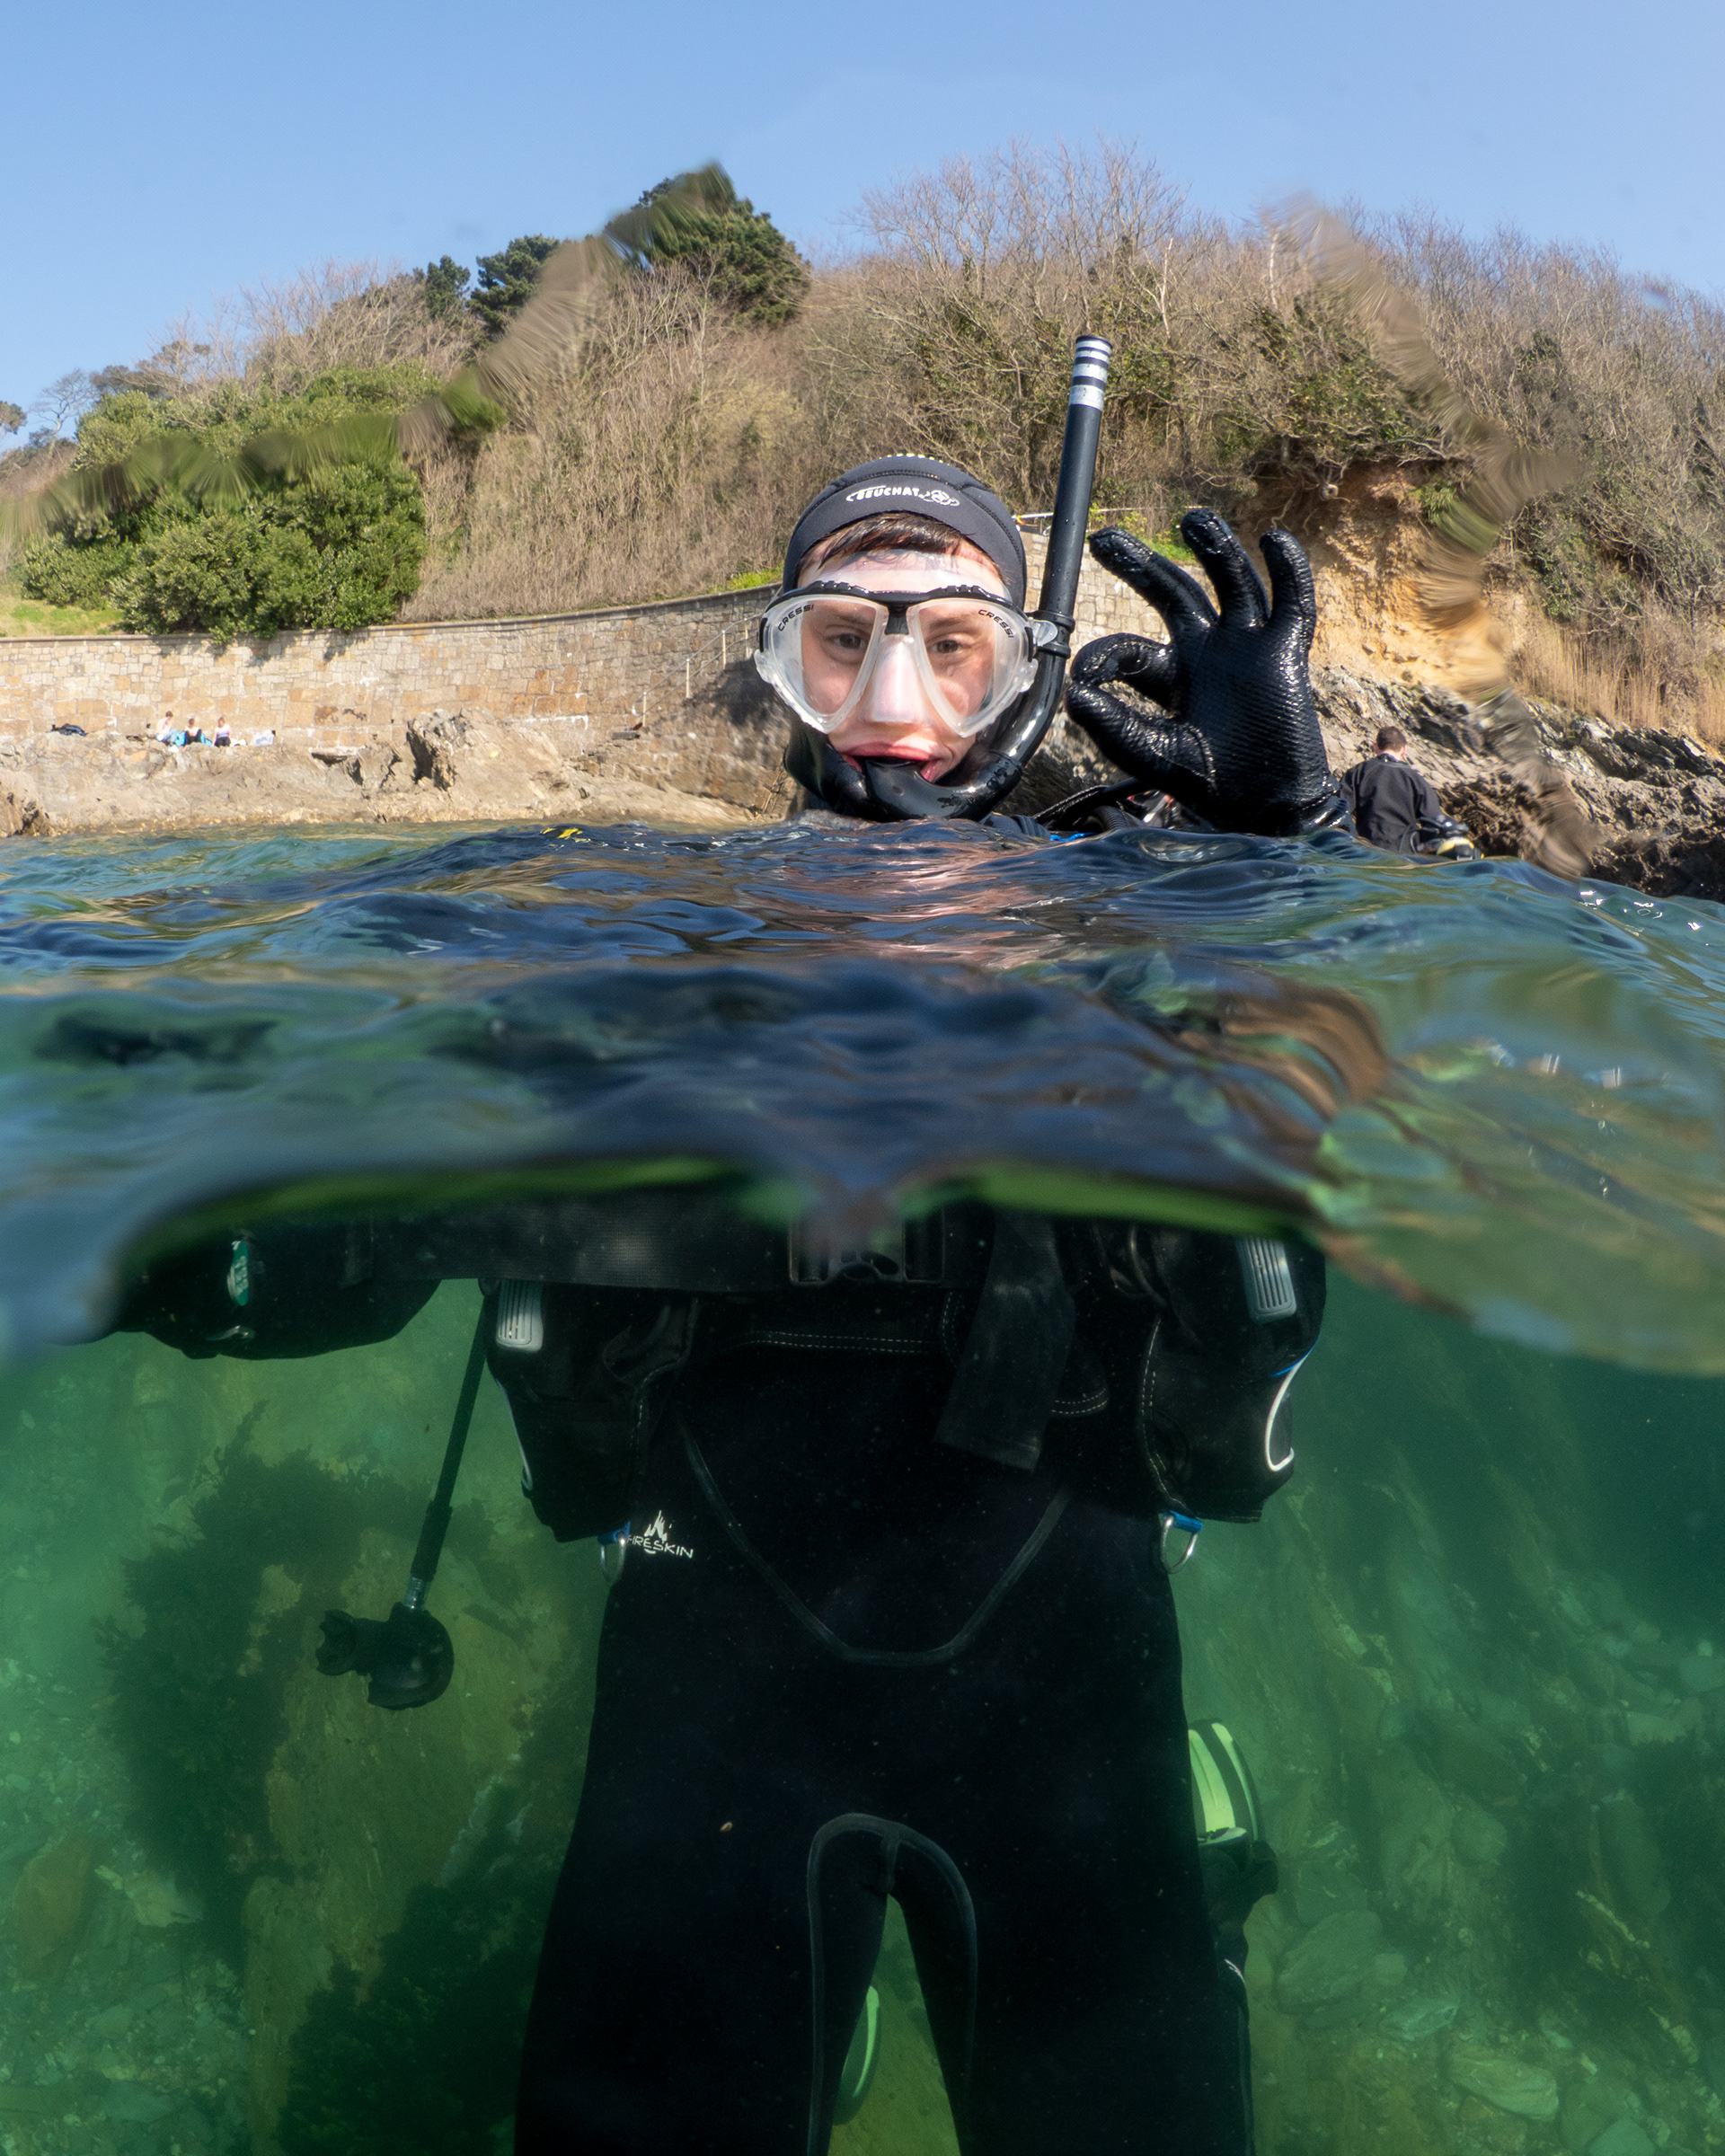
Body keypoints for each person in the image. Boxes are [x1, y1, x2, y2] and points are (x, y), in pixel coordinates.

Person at [116, 457, 1349, 2155]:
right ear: (776, 670)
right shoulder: (639, 959)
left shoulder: (1142, 952)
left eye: (955, 649)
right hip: (713, 1713)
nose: (894, 709)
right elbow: (368, 1225)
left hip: (1071, 1712)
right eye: (839, 642)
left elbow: (1322, 1118)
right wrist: (135, 1252)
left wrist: (1292, 869)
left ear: (1032, 677)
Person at [1340, 724, 1474, 857]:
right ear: (1403, 750)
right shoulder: (1417, 780)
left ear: (1375, 747)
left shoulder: (1357, 773)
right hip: (1404, 857)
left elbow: (1340, 811)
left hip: (1366, 852)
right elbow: (1434, 820)